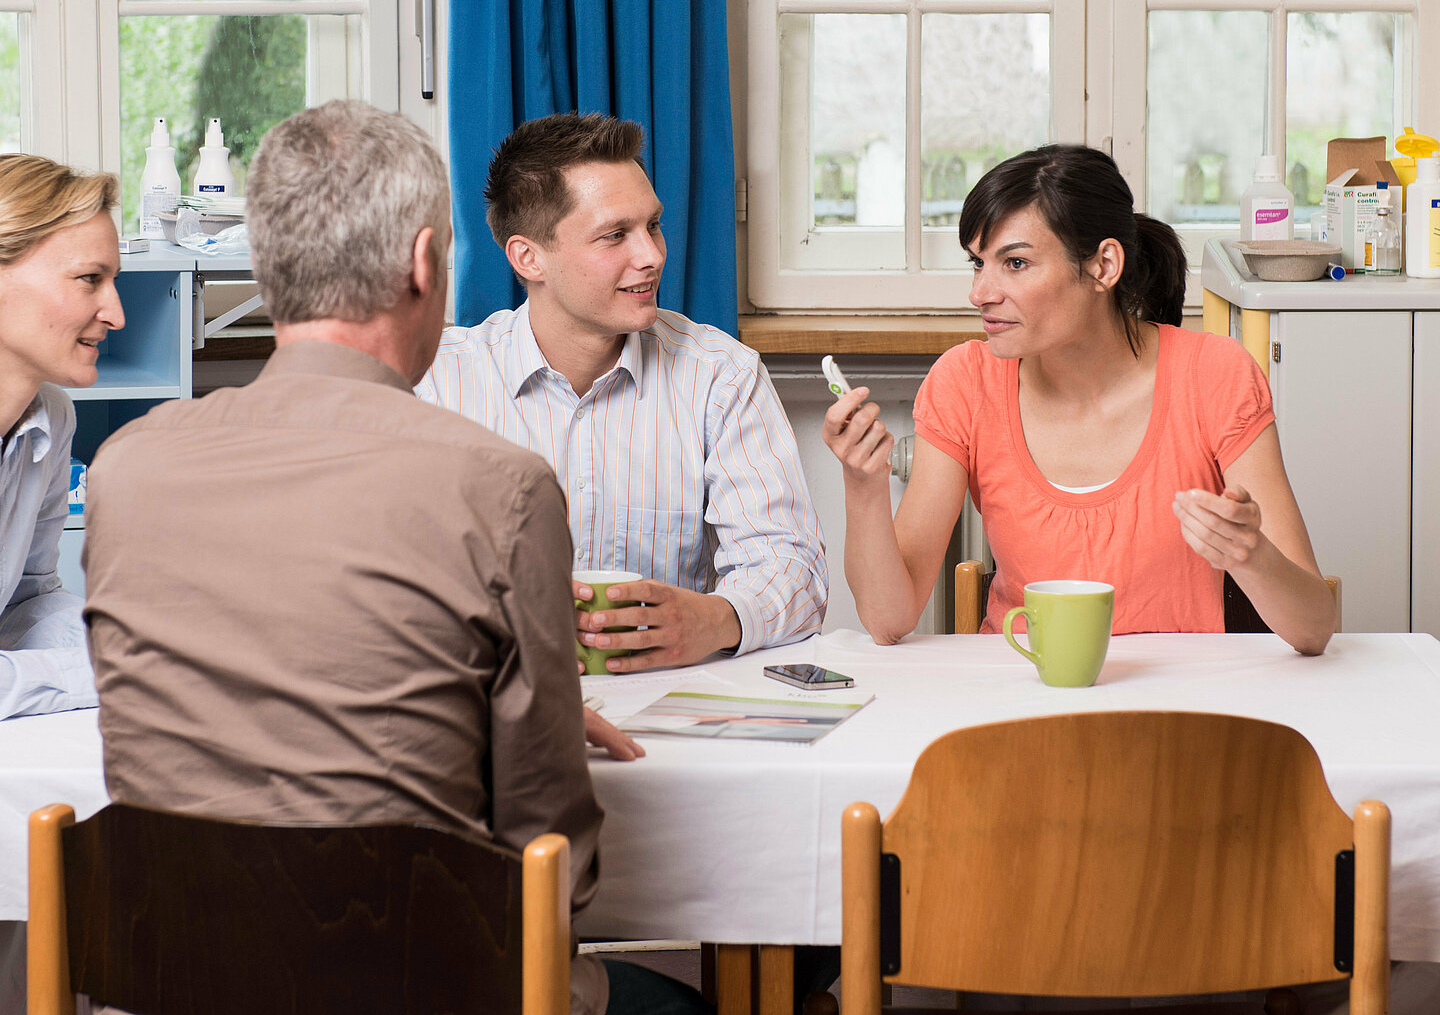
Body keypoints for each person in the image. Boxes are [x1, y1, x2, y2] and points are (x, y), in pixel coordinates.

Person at [83, 101, 687, 1015]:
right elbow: (549, 848)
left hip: (181, 982)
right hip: (423, 982)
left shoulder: (127, 470)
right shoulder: (502, 487)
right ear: (423, 263)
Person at [825, 143, 1335, 657]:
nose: (981, 292)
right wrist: (863, 485)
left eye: (1016, 263)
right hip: (1017, 696)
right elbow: (888, 620)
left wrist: (1252, 556)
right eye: (978, 263)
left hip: (1177, 706)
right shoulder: (965, 381)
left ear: (1103, 266)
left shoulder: (1215, 374)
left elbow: (1314, 628)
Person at [418, 112, 827, 672]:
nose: (652, 255)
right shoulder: (438, 384)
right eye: (615, 235)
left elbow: (792, 567)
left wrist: (716, 619)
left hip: (673, 701)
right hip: (492, 704)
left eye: (652, 226)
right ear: (527, 257)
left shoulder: (721, 375)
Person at [0, 153, 122, 719]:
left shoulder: (50, 417)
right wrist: (104, 673)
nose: (116, 313)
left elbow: (27, 596)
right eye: (89, 280)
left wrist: (129, 649)